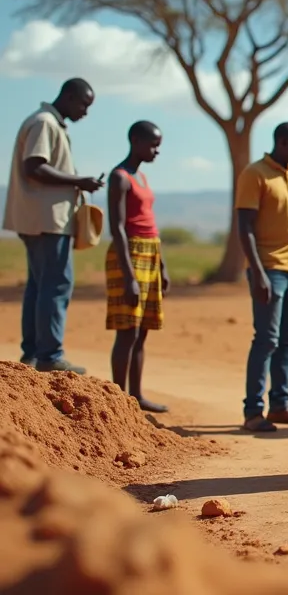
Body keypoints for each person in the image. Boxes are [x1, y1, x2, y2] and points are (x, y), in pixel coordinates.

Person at [4, 78, 101, 375]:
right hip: (47, 220)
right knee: (57, 284)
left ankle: (34, 354)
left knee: (39, 286)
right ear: (68, 96)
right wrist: (79, 181)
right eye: (83, 104)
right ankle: (49, 355)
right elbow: (34, 166)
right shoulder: (45, 122)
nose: (85, 112)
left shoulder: (47, 122)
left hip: (39, 218)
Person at [234, 122, 288, 432]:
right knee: (266, 340)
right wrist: (257, 272)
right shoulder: (255, 174)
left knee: (286, 341)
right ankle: (253, 412)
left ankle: (280, 406)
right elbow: (245, 226)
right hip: (269, 269)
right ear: (282, 142)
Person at [105, 121, 170, 413]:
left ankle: (136, 396)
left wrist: (162, 266)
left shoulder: (141, 177)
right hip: (128, 254)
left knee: (142, 329)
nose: (157, 151)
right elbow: (117, 228)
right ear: (135, 141)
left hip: (149, 252)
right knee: (127, 330)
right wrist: (128, 276)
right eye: (153, 145)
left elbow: (150, 223)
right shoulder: (119, 177)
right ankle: (119, 400)